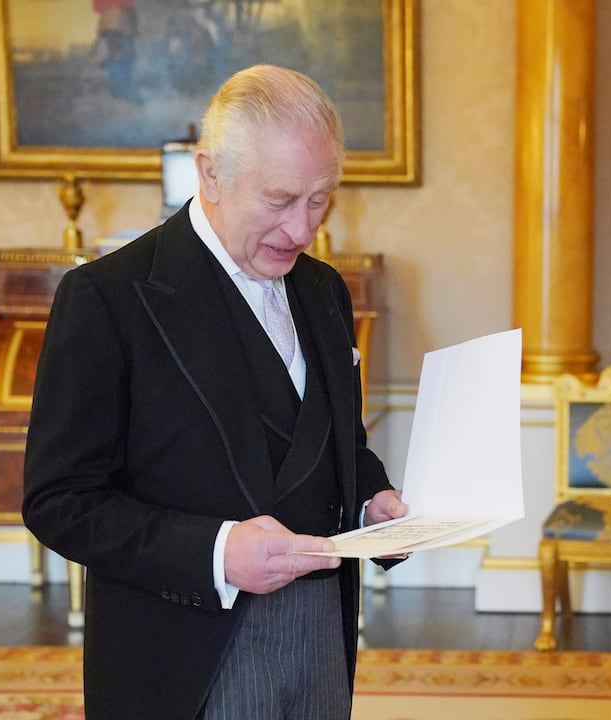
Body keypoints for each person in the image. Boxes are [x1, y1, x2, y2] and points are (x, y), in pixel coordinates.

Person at [23, 64, 408, 720]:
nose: (301, 229)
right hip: (180, 656)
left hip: (321, 638)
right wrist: (217, 552)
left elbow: (335, 438)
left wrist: (374, 500)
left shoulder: (324, 291)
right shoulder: (107, 299)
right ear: (210, 174)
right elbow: (59, 500)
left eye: (321, 199)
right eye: (281, 199)